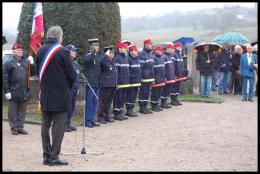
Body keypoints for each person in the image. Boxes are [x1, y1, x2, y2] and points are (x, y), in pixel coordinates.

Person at [36, 26, 76, 166]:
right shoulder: (63, 51)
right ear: (59, 36)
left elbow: (38, 73)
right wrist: (67, 89)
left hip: (45, 95)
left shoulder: (40, 50)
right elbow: (72, 75)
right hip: (60, 96)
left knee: (45, 125)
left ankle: (46, 156)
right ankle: (54, 157)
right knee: (58, 128)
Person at [3, 43, 34, 135]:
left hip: (24, 90)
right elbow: (5, 78)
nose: (20, 51)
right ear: (13, 52)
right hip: (13, 90)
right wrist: (7, 91)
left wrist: (32, 64)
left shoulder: (26, 62)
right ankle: (14, 127)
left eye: (21, 50)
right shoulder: (8, 63)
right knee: (13, 111)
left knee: (22, 110)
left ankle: (20, 127)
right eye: (17, 50)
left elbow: (33, 73)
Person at [83, 38, 100, 128]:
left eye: (98, 45)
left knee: (94, 102)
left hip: (96, 82)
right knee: (89, 102)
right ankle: (88, 120)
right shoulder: (89, 55)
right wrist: (93, 52)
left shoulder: (96, 56)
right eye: (96, 45)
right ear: (91, 46)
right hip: (90, 83)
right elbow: (87, 60)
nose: (98, 47)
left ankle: (92, 119)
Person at [98, 46, 117, 124]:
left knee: (109, 101)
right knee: (103, 101)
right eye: (111, 52)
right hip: (105, 84)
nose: (113, 54)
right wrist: (105, 55)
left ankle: (106, 115)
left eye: (113, 52)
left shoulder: (112, 61)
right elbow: (101, 60)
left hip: (112, 84)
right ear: (107, 53)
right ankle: (101, 116)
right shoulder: (104, 59)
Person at [64, 44, 80, 132]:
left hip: (74, 88)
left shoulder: (75, 63)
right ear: (68, 52)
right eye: (73, 51)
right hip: (68, 89)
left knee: (72, 107)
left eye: (75, 51)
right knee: (68, 107)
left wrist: (77, 88)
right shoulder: (66, 62)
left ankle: (68, 123)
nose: (75, 52)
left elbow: (76, 77)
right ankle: (64, 124)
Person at [113, 42, 130, 121]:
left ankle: (120, 112)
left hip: (126, 82)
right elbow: (116, 72)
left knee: (123, 98)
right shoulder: (117, 58)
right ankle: (117, 113)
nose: (125, 49)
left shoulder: (125, 58)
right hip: (120, 83)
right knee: (118, 98)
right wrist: (117, 83)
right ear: (119, 49)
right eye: (124, 48)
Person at [138, 39, 155, 114]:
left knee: (147, 93)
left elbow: (152, 67)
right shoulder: (142, 54)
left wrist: (153, 77)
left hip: (150, 77)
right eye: (150, 44)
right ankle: (142, 107)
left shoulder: (150, 54)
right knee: (143, 93)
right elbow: (140, 67)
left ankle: (145, 106)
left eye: (151, 44)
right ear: (146, 45)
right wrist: (140, 77)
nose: (151, 45)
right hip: (144, 78)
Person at [125, 44, 141, 117]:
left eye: (137, 50)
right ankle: (129, 110)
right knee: (130, 96)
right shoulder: (128, 59)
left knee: (134, 96)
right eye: (135, 50)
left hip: (137, 81)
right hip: (131, 82)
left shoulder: (137, 59)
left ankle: (132, 108)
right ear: (131, 51)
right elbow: (127, 72)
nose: (137, 52)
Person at [150, 46, 166, 112]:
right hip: (156, 79)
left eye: (161, 51)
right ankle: (153, 106)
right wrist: (153, 79)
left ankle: (156, 105)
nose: (161, 52)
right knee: (155, 93)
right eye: (159, 50)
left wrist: (164, 77)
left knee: (159, 93)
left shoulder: (161, 58)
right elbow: (152, 70)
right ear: (156, 51)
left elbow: (163, 69)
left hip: (161, 79)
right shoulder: (154, 58)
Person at [160, 43, 176, 109]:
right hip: (166, 78)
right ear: (168, 49)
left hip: (170, 78)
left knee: (167, 91)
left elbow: (171, 68)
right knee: (164, 90)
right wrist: (164, 77)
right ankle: (163, 103)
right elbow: (163, 68)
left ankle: (165, 102)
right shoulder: (164, 57)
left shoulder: (169, 57)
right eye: (172, 49)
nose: (173, 50)